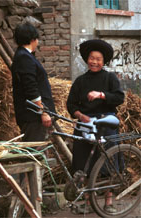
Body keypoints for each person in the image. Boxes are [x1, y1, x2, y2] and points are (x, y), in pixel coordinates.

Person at [67, 39, 125, 214]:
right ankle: (87, 201)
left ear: (103, 61)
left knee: (109, 162)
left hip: (106, 123)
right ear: (87, 59)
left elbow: (119, 98)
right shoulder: (80, 81)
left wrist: (101, 95)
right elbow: (71, 105)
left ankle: (108, 201)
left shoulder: (110, 78)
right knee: (83, 164)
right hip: (85, 124)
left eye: (98, 59)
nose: (94, 61)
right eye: (92, 58)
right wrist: (80, 116)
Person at [11, 22, 56, 143]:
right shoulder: (24, 57)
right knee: (35, 151)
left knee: (41, 151)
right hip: (33, 117)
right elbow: (31, 88)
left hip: (34, 116)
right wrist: (43, 112)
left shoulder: (24, 56)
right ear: (33, 39)